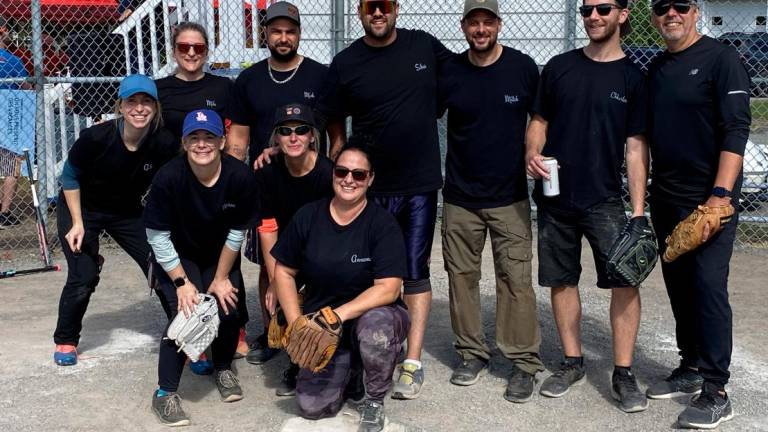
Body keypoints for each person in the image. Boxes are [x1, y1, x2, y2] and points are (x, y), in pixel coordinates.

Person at [316, 0, 454, 399]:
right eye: (370, 6)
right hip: (368, 185)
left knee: (414, 271)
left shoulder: (424, 47)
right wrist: (339, 153)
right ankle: (362, 354)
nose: (379, 12)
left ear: (397, 8)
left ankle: (411, 361)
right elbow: (329, 115)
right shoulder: (346, 62)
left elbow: (459, 81)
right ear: (359, 11)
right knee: (365, 272)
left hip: (418, 185)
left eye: (386, 5)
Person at [525, 0, 650, 413]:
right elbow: (539, 122)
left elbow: (635, 148)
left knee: (624, 281)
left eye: (602, 8)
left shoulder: (633, 77)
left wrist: (637, 211)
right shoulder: (560, 67)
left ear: (623, 15)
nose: (593, 16)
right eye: (585, 10)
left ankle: (624, 372)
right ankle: (572, 361)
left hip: (606, 199)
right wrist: (532, 153)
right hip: (557, 195)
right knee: (561, 279)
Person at [645, 0, 751, 428]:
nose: (672, 13)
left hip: (711, 201)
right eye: (662, 7)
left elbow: (736, 129)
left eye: (681, 5)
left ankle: (716, 389)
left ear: (695, 12)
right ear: (654, 16)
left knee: (708, 286)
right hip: (667, 198)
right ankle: (689, 366)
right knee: (679, 284)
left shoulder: (721, 58)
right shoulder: (656, 68)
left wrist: (720, 195)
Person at [437, 0, 543, 402]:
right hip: (461, 196)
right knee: (461, 277)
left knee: (515, 280)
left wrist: (534, 152)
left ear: (499, 24)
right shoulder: (451, 71)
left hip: (510, 196)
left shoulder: (522, 67)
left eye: (487, 22)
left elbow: (539, 117)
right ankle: (471, 353)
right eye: (473, 23)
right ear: (464, 26)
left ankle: (522, 361)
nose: (480, 29)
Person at [272, 143, 409, 432]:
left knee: (376, 329)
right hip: (322, 329)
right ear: (333, 173)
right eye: (342, 171)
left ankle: (374, 398)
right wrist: (297, 323)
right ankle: (352, 369)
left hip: (366, 318)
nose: (349, 179)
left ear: (370, 179)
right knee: (311, 406)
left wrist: (336, 316)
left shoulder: (381, 224)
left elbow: (390, 288)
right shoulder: (308, 216)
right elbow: (283, 271)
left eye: (359, 174)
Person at [226, 1, 330, 366]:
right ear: (266, 34)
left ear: (299, 34)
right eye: (276, 31)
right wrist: (234, 177)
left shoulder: (320, 76)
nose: (283, 37)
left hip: (313, 187)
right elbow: (238, 138)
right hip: (267, 187)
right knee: (269, 265)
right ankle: (273, 331)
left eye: (290, 31)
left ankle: (311, 327)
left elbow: (334, 132)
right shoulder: (250, 79)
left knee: (316, 263)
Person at [144, 109, 260, 426]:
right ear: (184, 142)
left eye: (209, 136)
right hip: (178, 257)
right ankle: (164, 394)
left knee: (227, 306)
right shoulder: (169, 177)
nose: (202, 144)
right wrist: (182, 283)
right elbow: (157, 235)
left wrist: (221, 277)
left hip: (218, 253)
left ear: (222, 141)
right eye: (194, 137)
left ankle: (222, 368)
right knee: (189, 315)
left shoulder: (239, 176)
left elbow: (238, 231)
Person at [52, 74, 177, 366]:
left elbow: (173, 183)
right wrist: (79, 224)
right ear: (120, 106)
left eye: (146, 102)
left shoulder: (163, 142)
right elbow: (69, 177)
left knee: (161, 264)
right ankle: (66, 340)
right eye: (132, 101)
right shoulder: (96, 137)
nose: (139, 108)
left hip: (126, 211)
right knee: (83, 276)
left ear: (156, 107)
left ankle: (185, 336)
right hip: (82, 208)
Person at [154, 22, 246, 364]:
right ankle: (193, 332)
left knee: (225, 257)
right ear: (174, 50)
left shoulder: (223, 87)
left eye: (198, 47)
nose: (191, 53)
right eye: (183, 47)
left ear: (207, 50)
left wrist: (231, 176)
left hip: (215, 184)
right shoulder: (161, 89)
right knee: (182, 264)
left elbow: (235, 135)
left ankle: (232, 327)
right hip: (177, 188)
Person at [255, 103, 334, 396]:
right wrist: (276, 278)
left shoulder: (327, 173)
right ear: (276, 138)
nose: (293, 137)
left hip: (324, 250)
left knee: (316, 297)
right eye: (285, 131)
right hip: (287, 255)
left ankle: (334, 358)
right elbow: (267, 229)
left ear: (313, 136)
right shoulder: (267, 173)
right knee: (284, 298)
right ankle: (297, 361)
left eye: (301, 130)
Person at [0, 17, 30, 228]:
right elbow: (26, 87)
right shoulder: (12, 61)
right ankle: (4, 211)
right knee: (11, 165)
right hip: (9, 113)